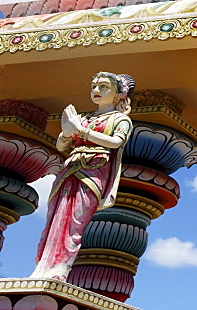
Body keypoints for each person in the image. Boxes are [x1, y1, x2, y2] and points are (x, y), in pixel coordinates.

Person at [31, 72, 135, 281]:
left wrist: (82, 131)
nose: (96, 91)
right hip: (69, 169)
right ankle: (43, 265)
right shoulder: (84, 118)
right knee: (55, 218)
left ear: (118, 95)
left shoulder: (120, 120)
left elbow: (115, 142)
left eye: (104, 87)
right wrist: (67, 133)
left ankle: (61, 266)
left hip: (93, 170)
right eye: (94, 86)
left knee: (75, 221)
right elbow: (62, 146)